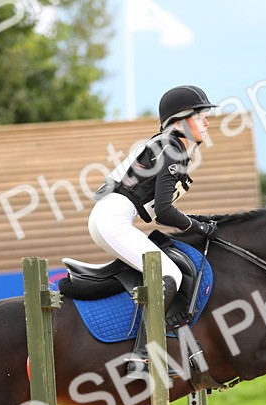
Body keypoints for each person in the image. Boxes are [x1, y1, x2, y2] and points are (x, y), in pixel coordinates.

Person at [89, 84, 218, 374]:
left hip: (112, 216)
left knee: (162, 266)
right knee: (168, 273)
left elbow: (158, 212)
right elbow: (164, 212)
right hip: (114, 218)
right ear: (181, 121)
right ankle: (142, 355)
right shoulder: (171, 147)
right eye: (200, 116)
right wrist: (198, 226)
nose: (207, 122)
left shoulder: (164, 145)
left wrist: (197, 221)